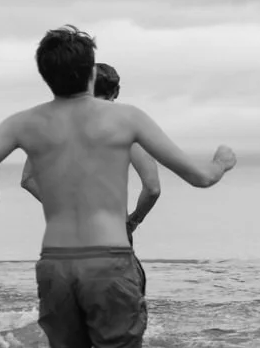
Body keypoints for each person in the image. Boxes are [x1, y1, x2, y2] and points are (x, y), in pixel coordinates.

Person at [0, 26, 237, 348]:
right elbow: (201, 177)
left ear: (45, 75)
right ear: (90, 71)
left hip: (55, 264)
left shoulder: (24, 124)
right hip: (108, 260)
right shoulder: (126, 118)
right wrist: (222, 161)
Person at [22, 62, 162, 240]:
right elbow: (152, 188)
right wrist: (133, 221)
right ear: (116, 92)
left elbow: (28, 180)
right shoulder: (126, 129)